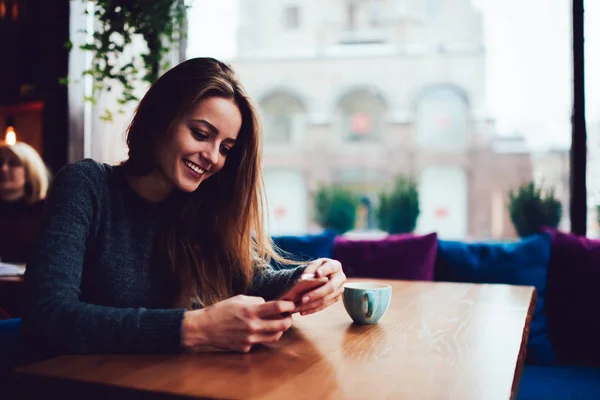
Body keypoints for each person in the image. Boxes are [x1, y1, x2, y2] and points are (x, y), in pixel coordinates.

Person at [22, 58, 346, 359]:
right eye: (201, 134)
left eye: (226, 148)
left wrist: (308, 277)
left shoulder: (202, 206)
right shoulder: (86, 185)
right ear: (160, 120)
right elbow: (47, 314)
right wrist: (195, 327)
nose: (213, 157)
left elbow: (252, 279)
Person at [0, 140, 50, 264]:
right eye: (0, 162)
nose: (3, 168)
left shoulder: (44, 212)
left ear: (30, 171)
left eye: (13, 163)